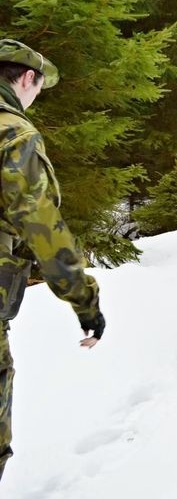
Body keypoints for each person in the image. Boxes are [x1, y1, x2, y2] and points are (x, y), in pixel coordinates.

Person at [0, 39, 105, 480]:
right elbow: (41, 226)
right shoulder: (14, 135)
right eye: (38, 88)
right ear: (27, 79)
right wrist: (86, 303)